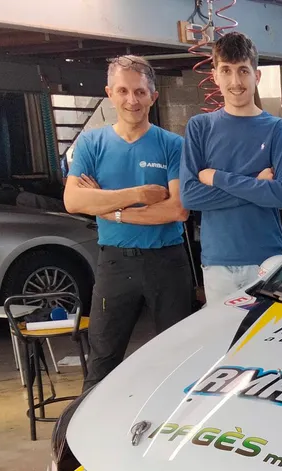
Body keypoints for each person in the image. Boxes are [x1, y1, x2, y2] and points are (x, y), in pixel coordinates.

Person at [63, 54, 191, 390]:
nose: (131, 100)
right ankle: (87, 436)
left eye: (139, 92)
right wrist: (136, 194)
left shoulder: (173, 145)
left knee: (178, 358)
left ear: (153, 96)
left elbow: (177, 210)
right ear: (109, 93)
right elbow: (73, 200)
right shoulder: (92, 143)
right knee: (102, 359)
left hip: (167, 261)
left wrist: (108, 208)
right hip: (116, 263)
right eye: (122, 91)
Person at [180, 32, 282, 307]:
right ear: (215, 75)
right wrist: (256, 185)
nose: (235, 81)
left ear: (257, 76)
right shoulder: (200, 127)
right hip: (219, 263)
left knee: (267, 343)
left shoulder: (278, 129)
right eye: (227, 71)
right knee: (225, 345)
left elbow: (281, 194)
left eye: (243, 71)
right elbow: (190, 197)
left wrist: (217, 177)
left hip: (266, 260)